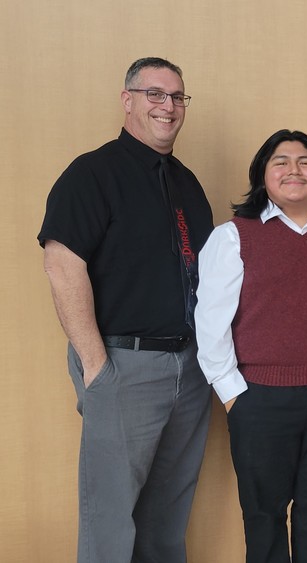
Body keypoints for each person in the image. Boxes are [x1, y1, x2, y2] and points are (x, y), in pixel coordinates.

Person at [38, 57, 213, 563]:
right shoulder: (92, 173)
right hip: (123, 367)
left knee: (167, 520)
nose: (168, 106)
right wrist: (97, 367)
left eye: (177, 97)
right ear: (128, 100)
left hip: (189, 368)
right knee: (110, 523)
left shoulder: (187, 182)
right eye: (155, 94)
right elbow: (61, 264)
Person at [194, 129, 307, 563]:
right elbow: (210, 322)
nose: (293, 170)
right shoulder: (232, 236)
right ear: (263, 174)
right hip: (259, 400)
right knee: (263, 517)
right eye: (281, 161)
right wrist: (233, 394)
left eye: (305, 161)